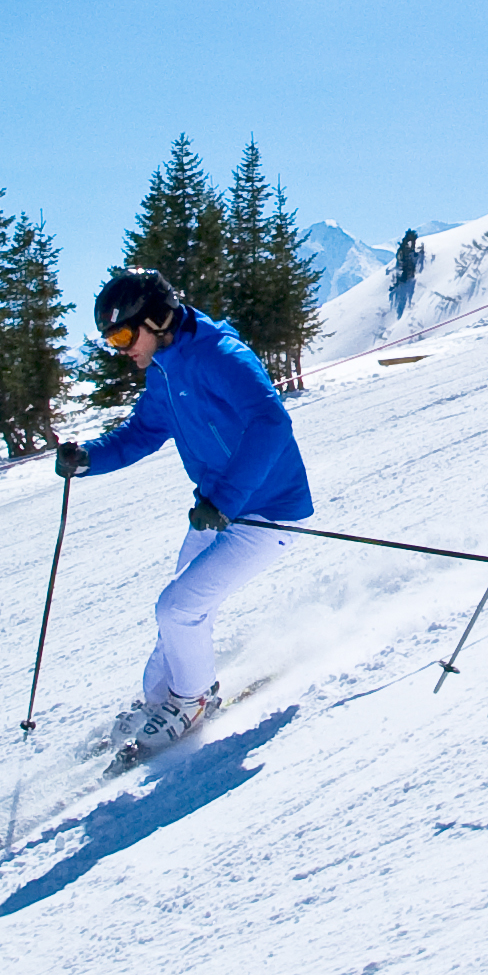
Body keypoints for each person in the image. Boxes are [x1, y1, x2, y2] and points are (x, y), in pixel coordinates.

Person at [53, 268, 314, 745]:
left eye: (124, 334)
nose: (121, 348)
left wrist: (224, 499)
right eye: (113, 340)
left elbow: (271, 424)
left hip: (267, 511)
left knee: (179, 609)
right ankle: (164, 703)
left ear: (155, 320)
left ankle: (189, 702)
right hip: (217, 509)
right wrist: (89, 457)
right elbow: (142, 432)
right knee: (179, 613)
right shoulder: (165, 371)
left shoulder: (221, 356)